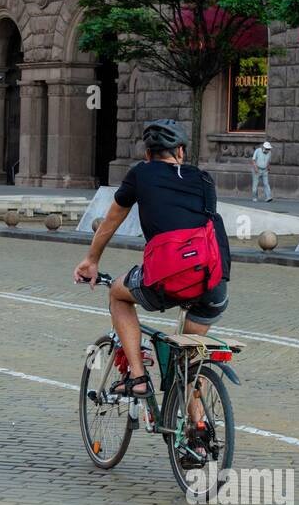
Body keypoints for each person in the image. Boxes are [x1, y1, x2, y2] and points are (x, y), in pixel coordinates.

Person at [74, 120, 231, 414]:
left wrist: (91, 260)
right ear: (181, 152)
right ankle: (197, 434)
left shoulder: (141, 174)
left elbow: (112, 219)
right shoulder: (204, 180)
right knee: (191, 357)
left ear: (148, 155)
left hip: (169, 277)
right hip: (213, 282)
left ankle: (138, 378)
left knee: (118, 295)